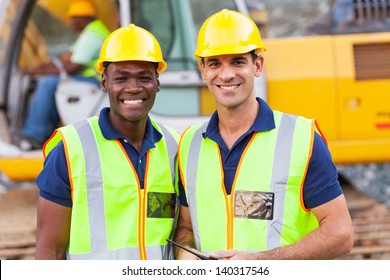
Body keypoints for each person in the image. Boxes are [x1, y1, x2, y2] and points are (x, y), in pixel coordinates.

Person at [174, 9, 354, 260]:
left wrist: (259, 261)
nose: (226, 74)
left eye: (237, 62)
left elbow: (341, 233)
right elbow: (185, 227)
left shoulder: (301, 138)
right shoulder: (188, 144)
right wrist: (186, 254)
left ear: (257, 65)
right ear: (202, 69)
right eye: (215, 63)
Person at [35, 24, 180, 260]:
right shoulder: (71, 148)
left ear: (157, 82)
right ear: (104, 83)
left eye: (144, 77)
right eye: (121, 78)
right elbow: (49, 251)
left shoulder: (174, 146)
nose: (133, 88)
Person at [19, 0, 110, 150]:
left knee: (48, 83)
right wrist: (34, 70)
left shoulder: (93, 35)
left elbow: (72, 67)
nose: (71, 22)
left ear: (85, 18)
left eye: (74, 18)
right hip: (89, 79)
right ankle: (46, 133)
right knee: (50, 81)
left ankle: (34, 135)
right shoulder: (90, 32)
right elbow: (64, 58)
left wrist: (37, 72)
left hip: (95, 81)